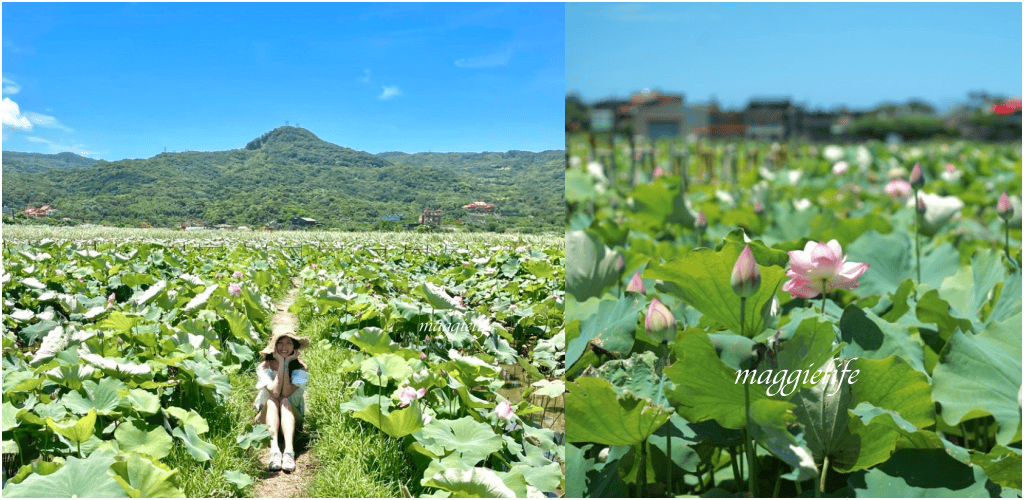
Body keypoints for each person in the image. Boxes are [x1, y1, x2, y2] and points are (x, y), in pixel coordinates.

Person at [254, 331, 310, 472]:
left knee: (285, 400)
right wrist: (281, 365)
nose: (284, 346)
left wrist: (284, 364)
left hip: (292, 418)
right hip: (266, 418)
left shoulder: (302, 370)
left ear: (294, 347)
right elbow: (275, 392)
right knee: (273, 401)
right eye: (280, 342)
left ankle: (289, 451)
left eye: (288, 343)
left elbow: (285, 392)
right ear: (274, 346)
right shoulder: (263, 367)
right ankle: (274, 451)